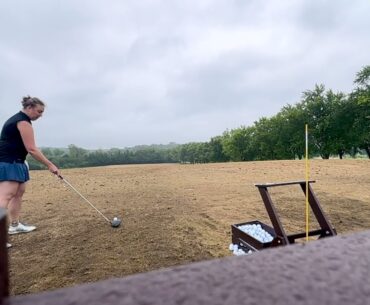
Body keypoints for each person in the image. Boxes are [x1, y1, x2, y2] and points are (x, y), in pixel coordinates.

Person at [0, 96, 60, 249]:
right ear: (30, 107)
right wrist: (50, 164)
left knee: (19, 192)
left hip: (18, 161)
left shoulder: (23, 121)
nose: (40, 115)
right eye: (39, 111)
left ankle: (14, 225)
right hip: (8, 162)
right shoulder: (22, 121)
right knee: (5, 197)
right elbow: (32, 149)